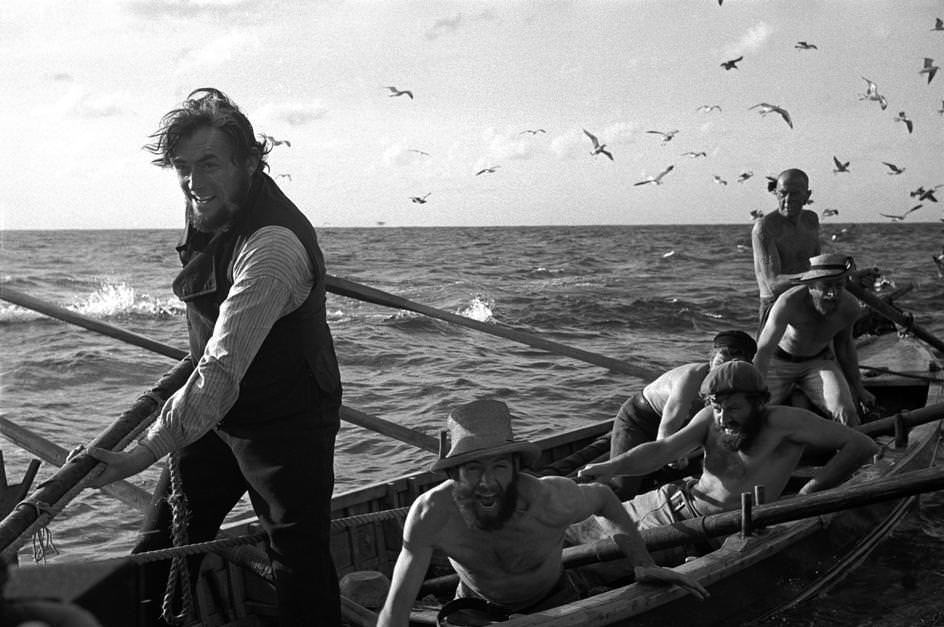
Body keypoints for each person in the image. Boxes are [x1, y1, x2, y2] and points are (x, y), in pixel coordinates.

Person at [79, 88, 343, 626]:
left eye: (208, 164)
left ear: (249, 164)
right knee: (162, 547)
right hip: (215, 415)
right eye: (182, 167)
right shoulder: (211, 202)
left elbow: (219, 372)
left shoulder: (271, 248)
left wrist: (139, 453)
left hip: (286, 421)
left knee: (298, 566)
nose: (194, 183)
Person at [376, 400, 709, 627]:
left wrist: (643, 564)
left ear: (518, 470)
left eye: (500, 467)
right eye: (474, 468)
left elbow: (605, 498)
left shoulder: (549, 499)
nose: (488, 482)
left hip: (552, 603)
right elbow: (397, 607)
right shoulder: (431, 515)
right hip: (475, 609)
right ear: (454, 475)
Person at [576, 361, 878, 542]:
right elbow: (663, 450)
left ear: (759, 402)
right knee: (571, 533)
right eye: (718, 407)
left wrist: (810, 493)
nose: (723, 417)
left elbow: (861, 445)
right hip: (670, 502)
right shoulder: (710, 419)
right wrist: (612, 467)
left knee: (592, 562)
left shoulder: (786, 422)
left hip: (704, 531)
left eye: (733, 408)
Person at [607, 330, 757, 499]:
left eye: (731, 368)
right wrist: (674, 455)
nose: (722, 373)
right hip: (640, 421)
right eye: (720, 363)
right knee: (623, 490)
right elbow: (666, 430)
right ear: (710, 360)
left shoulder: (743, 385)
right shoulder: (692, 378)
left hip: (684, 428)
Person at [753, 253, 876, 427]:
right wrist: (755, 387)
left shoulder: (850, 307)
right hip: (778, 363)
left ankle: (851, 449)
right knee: (753, 411)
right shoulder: (788, 303)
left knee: (846, 411)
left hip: (818, 362)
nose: (833, 294)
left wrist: (859, 388)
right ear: (810, 286)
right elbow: (764, 350)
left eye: (839, 286)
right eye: (826, 286)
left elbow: (845, 347)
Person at [751, 168, 821, 327]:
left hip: (808, 298)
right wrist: (823, 277)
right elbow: (774, 283)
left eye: (795, 194)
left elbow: (817, 265)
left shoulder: (811, 220)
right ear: (776, 193)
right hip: (776, 304)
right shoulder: (765, 228)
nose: (787, 200)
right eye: (782, 193)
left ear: (807, 196)